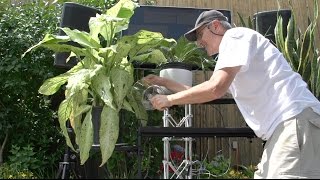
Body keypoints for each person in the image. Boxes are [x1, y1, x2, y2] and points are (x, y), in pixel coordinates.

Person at [143, 9, 320, 178]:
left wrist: (169, 99)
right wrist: (163, 82)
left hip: (294, 122)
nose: (199, 43)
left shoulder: (235, 36)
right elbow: (200, 91)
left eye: (200, 35)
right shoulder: (236, 60)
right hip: (287, 127)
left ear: (216, 26)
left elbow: (214, 88)